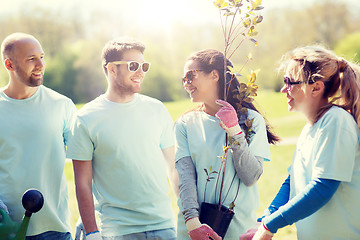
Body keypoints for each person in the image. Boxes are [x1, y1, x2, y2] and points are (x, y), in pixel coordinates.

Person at [240, 45, 360, 240]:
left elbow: (323, 187)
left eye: (289, 82)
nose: (283, 89)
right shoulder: (310, 129)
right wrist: (265, 219)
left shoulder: (336, 121)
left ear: (316, 87)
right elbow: (292, 183)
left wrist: (270, 226)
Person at [66, 38, 178, 240]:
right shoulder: (86, 118)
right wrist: (91, 232)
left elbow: (174, 168)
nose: (141, 72)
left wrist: (189, 216)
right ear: (112, 69)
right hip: (118, 231)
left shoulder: (157, 109)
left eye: (144, 66)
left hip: (164, 227)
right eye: (133, 66)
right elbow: (82, 183)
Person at [175, 49, 279, 240]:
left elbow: (250, 177)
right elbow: (185, 178)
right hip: (193, 232)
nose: (186, 83)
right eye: (184, 79)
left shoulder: (251, 121)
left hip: (238, 232)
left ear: (214, 75)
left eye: (191, 76)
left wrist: (234, 131)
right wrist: (193, 225)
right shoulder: (185, 124)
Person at [0, 32, 76, 239]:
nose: (41, 64)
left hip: (56, 230)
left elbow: (84, 164)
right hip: (8, 231)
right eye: (31, 59)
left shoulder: (62, 105)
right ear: (9, 65)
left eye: (41, 57)